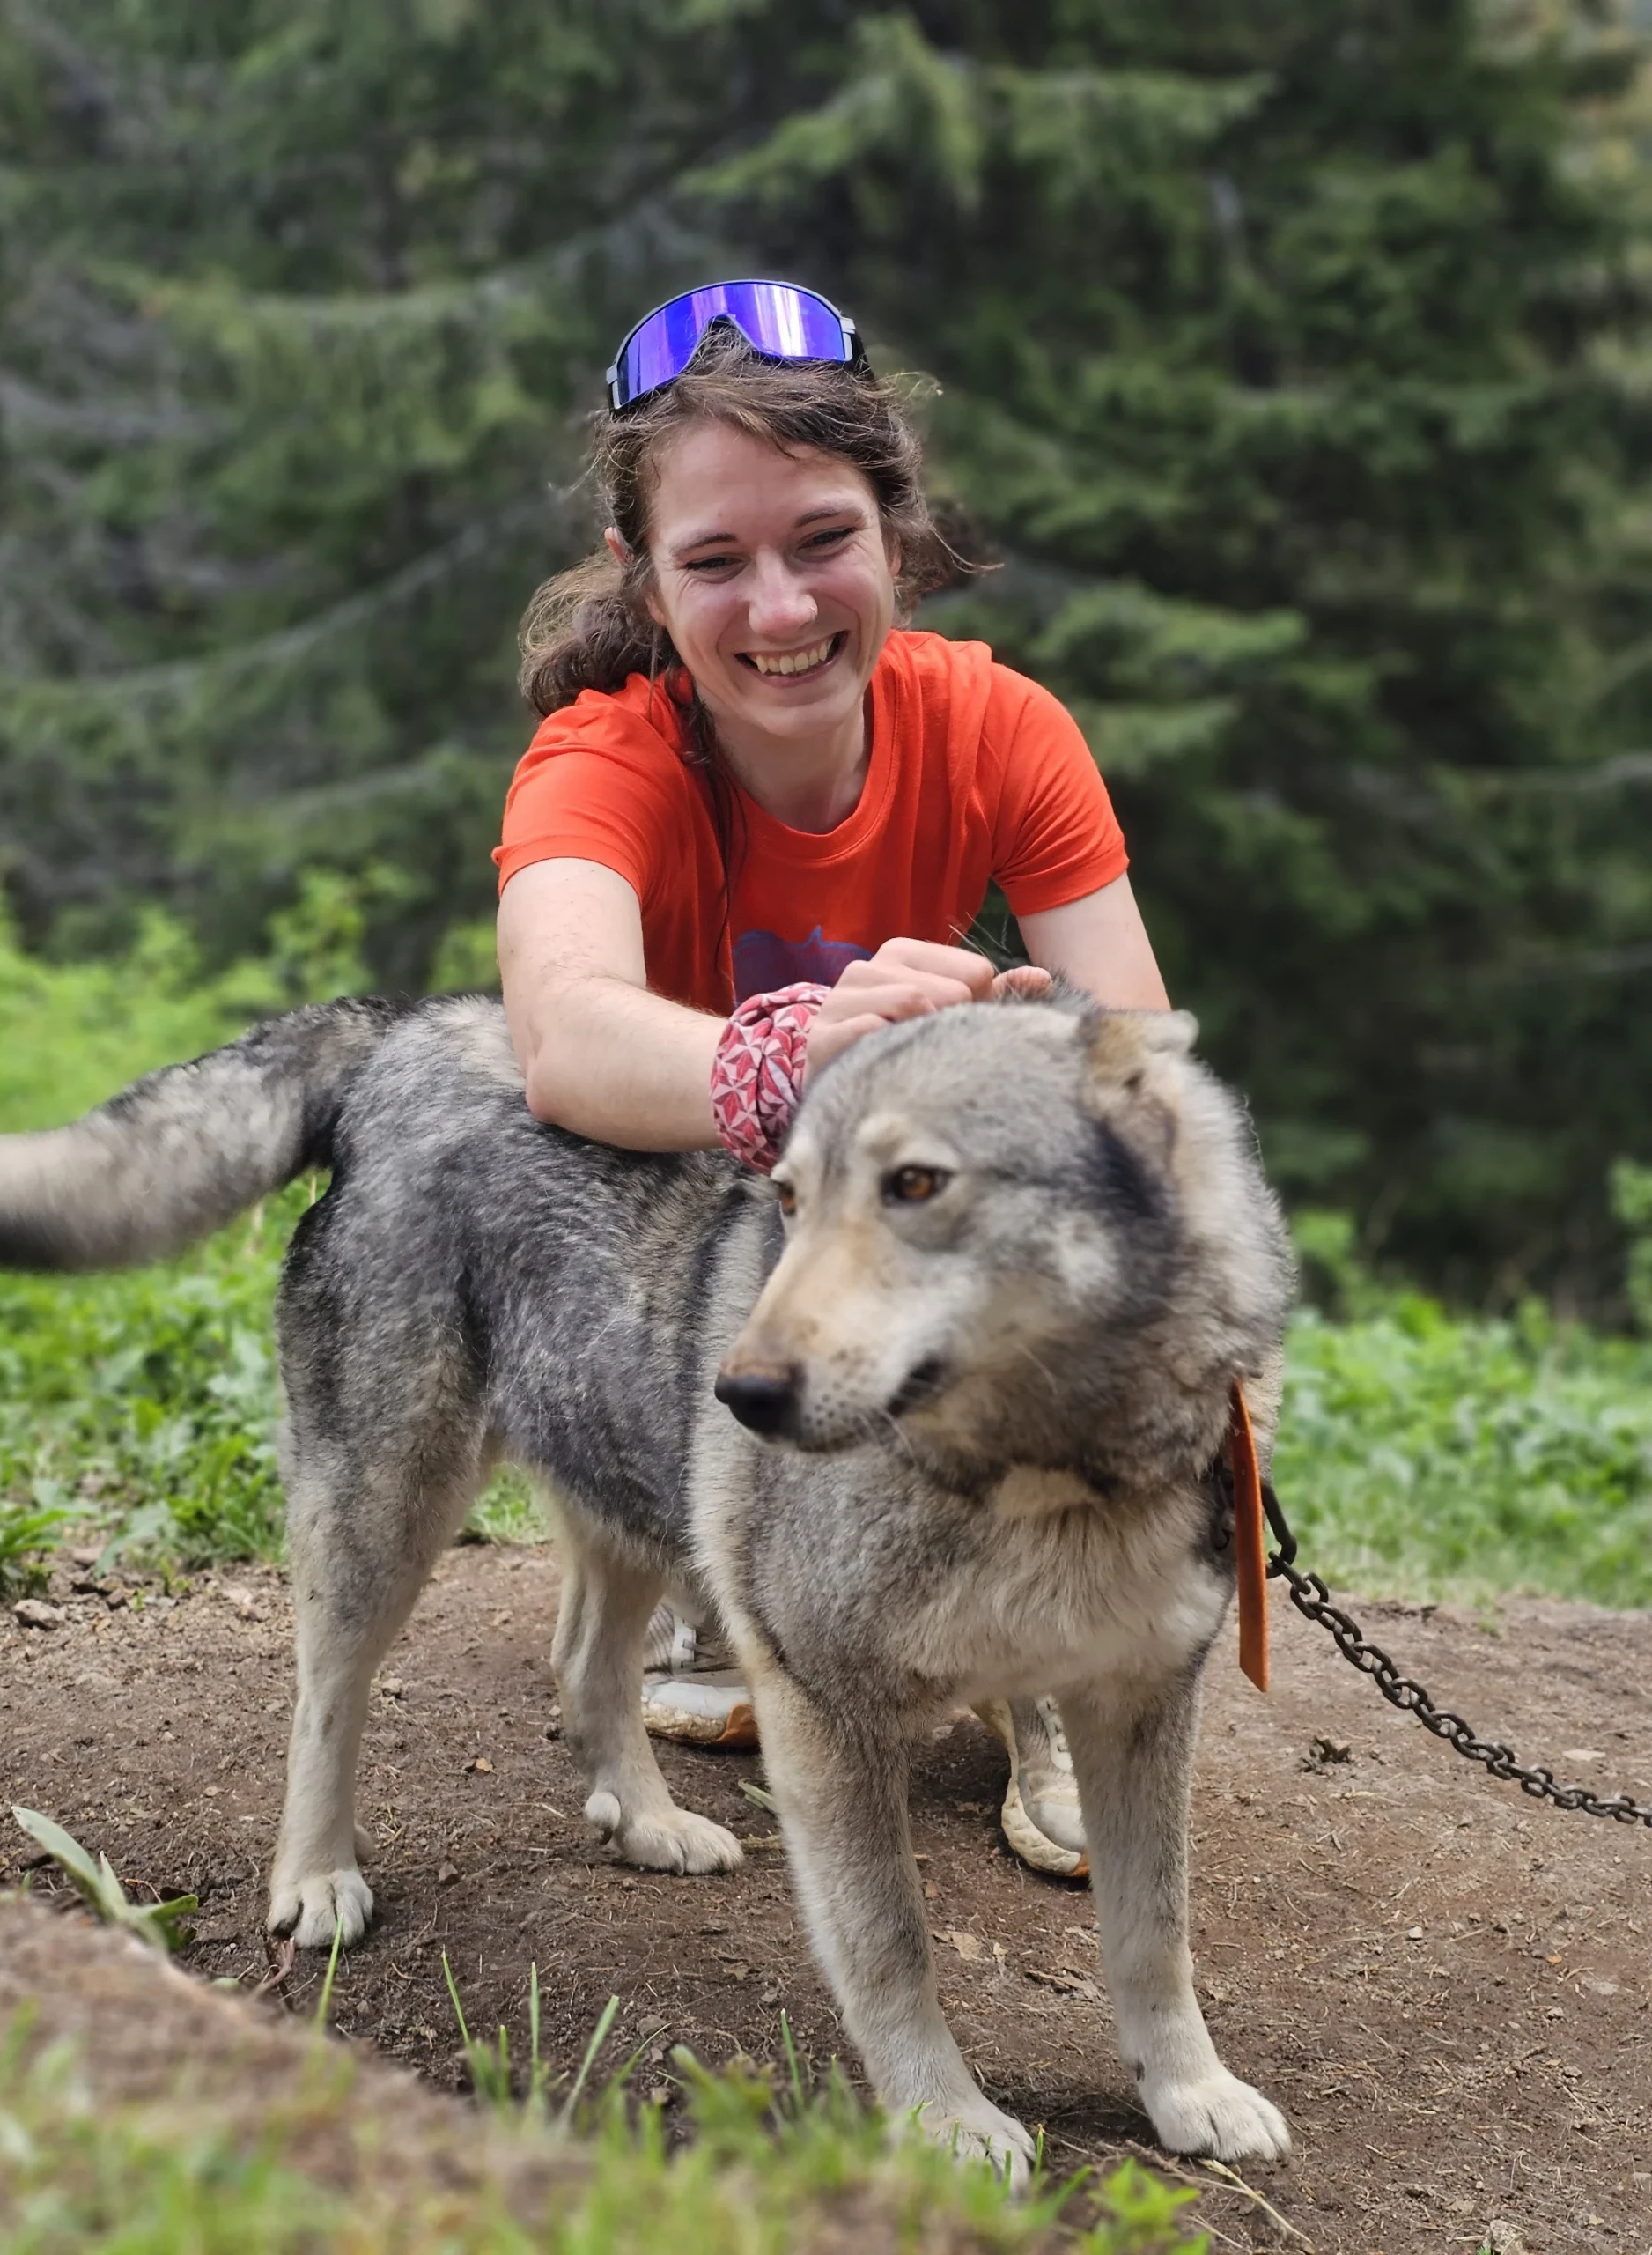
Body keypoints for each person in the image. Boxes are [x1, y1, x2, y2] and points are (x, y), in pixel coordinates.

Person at [494, 281, 1169, 1879]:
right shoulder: (604, 756)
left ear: (896, 533)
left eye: (820, 540)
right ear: (643, 577)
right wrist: (794, 1050)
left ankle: (1043, 1667)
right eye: (715, 561)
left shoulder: (1000, 728)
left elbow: (1134, 1057)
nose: (781, 607)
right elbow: (563, 1039)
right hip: (694, 1239)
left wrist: (1023, 1053)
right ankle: (740, 1579)